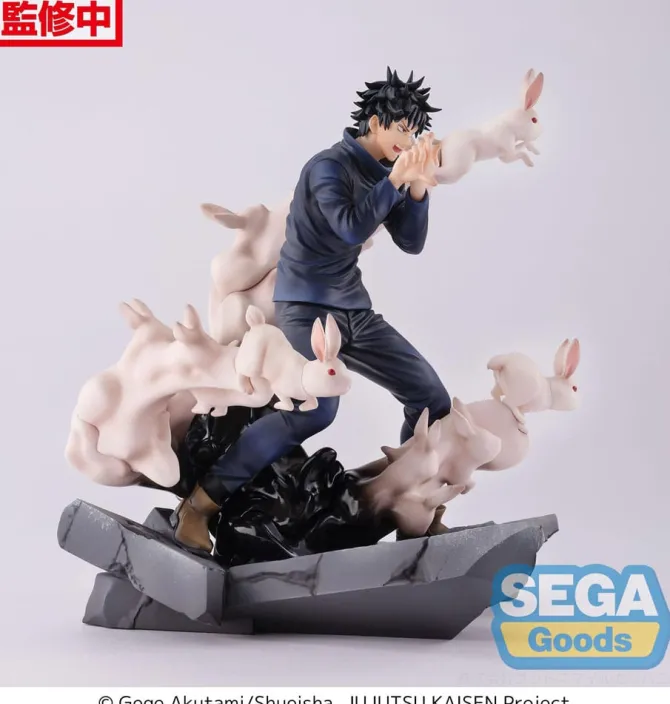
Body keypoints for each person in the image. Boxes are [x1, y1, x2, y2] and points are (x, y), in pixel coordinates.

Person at [173, 67, 452, 554]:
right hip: (304, 307)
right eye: (401, 128)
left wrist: (417, 189)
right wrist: (395, 180)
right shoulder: (326, 167)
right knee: (315, 408)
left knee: (431, 399)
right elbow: (349, 227)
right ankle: (200, 504)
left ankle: (411, 504)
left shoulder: (388, 171)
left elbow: (411, 242)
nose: (406, 141)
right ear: (374, 121)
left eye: (414, 132)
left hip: (353, 309)